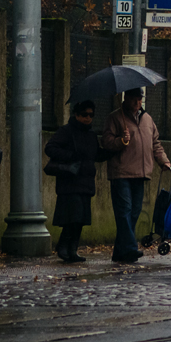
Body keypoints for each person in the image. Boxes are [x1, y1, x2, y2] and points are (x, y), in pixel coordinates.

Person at [99, 87, 171, 263]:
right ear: (126, 98)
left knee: (134, 212)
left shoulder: (147, 119)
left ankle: (119, 251)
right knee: (124, 210)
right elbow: (106, 142)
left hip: (141, 173)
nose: (137, 103)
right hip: (121, 172)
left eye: (140, 99)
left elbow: (155, 143)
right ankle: (131, 248)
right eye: (134, 99)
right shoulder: (115, 118)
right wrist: (121, 141)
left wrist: (164, 161)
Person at [45, 100, 114, 263]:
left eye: (91, 115)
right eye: (84, 115)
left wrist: (116, 148)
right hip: (70, 181)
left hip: (86, 182)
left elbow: (96, 155)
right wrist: (70, 156)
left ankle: (72, 249)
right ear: (76, 115)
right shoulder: (66, 131)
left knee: (81, 218)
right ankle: (63, 246)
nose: (88, 118)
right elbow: (50, 148)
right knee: (73, 216)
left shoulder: (91, 135)